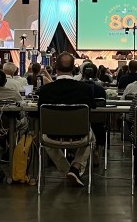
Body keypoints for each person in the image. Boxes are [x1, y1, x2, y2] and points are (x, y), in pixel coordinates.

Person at [37, 52, 96, 187]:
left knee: (43, 133)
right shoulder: (85, 89)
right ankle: (75, 168)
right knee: (91, 137)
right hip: (79, 135)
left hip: (51, 135)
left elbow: (40, 114)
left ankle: (67, 170)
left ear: (56, 68)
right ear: (74, 69)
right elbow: (92, 107)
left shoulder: (45, 90)